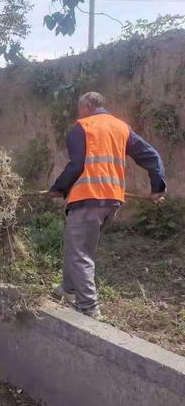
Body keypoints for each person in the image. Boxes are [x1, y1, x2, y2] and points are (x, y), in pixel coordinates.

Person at [49, 92, 166, 320]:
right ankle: (69, 289)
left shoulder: (82, 127)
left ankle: (88, 307)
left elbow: (77, 165)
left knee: (79, 252)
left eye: (80, 107)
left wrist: (59, 188)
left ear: (89, 105)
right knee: (80, 248)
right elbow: (152, 156)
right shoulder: (121, 128)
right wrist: (157, 188)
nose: (78, 112)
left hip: (88, 199)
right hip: (111, 201)